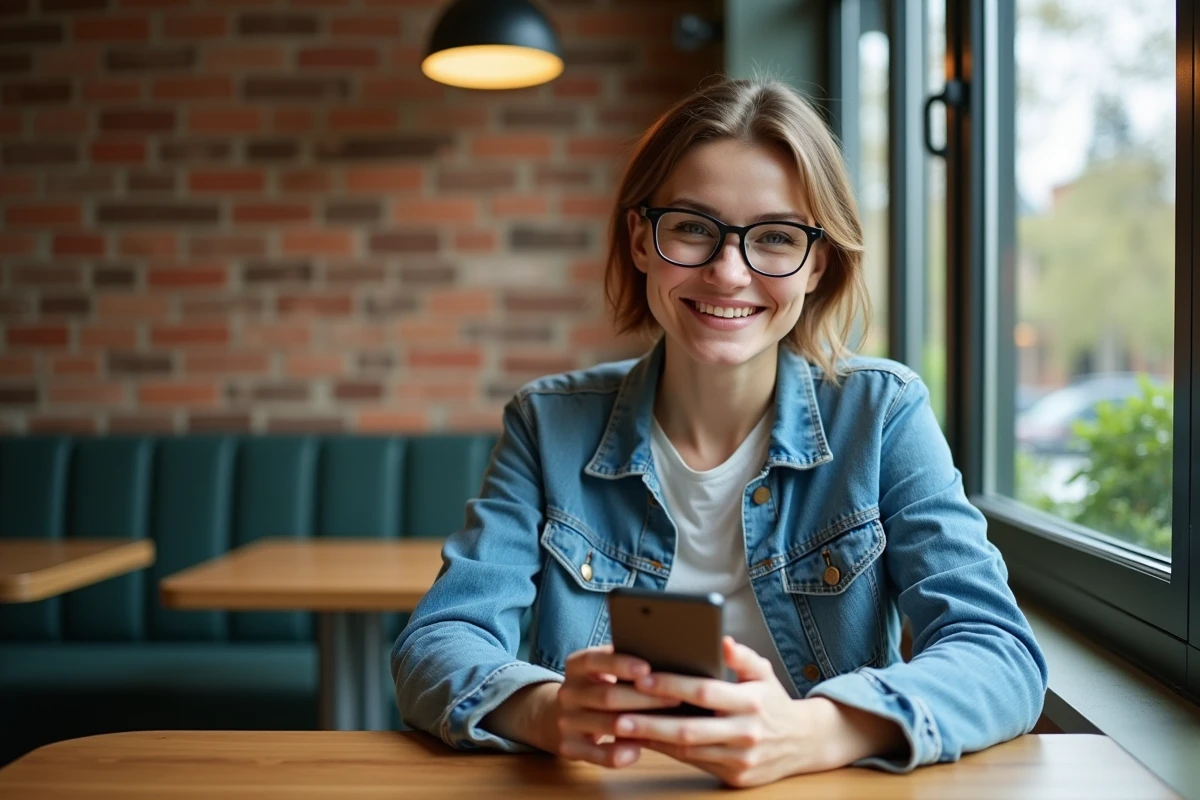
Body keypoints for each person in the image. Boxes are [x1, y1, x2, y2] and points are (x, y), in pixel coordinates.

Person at [391, 77, 1047, 788]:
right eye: (693, 228)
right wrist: (545, 711)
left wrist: (815, 731)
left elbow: (1000, 654)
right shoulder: (548, 425)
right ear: (641, 240)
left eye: (776, 237)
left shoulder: (882, 414)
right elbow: (439, 640)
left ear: (818, 263)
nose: (728, 273)